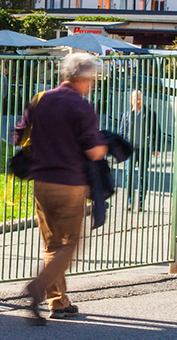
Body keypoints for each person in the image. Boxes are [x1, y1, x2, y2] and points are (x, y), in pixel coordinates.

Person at [13, 52, 108, 325]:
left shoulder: (40, 100)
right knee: (69, 244)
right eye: (91, 80)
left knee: (51, 243)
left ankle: (59, 303)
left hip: (41, 182)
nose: (92, 85)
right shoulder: (81, 106)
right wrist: (105, 145)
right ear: (80, 78)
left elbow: (18, 136)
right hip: (70, 184)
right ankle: (38, 287)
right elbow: (93, 151)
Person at [122, 87, 166, 210]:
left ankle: (141, 202)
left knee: (142, 176)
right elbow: (121, 133)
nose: (137, 101)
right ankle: (130, 201)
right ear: (131, 100)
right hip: (130, 150)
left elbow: (157, 132)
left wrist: (156, 148)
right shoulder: (127, 115)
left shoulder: (150, 114)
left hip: (144, 149)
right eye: (135, 98)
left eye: (139, 98)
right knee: (128, 175)